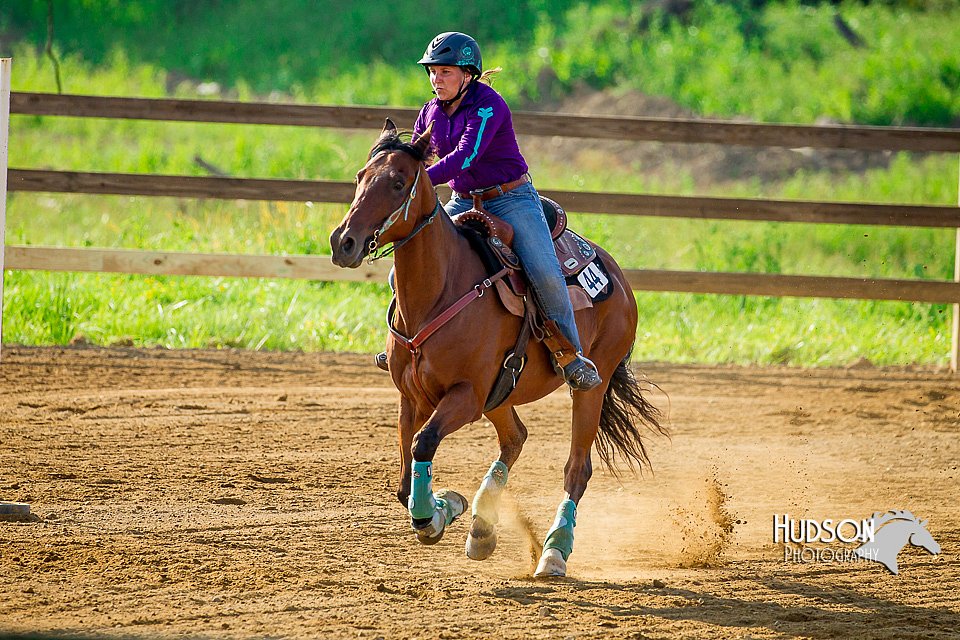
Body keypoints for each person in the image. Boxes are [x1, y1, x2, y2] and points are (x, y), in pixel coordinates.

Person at [382, 31, 601, 392]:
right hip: (463, 198)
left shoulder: (489, 105)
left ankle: (570, 354)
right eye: (433, 72)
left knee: (545, 273)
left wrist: (418, 183)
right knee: (399, 273)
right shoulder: (429, 113)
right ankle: (407, 345)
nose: (437, 79)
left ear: (468, 74)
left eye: (446, 72)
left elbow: (466, 156)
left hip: (512, 199)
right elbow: (421, 157)